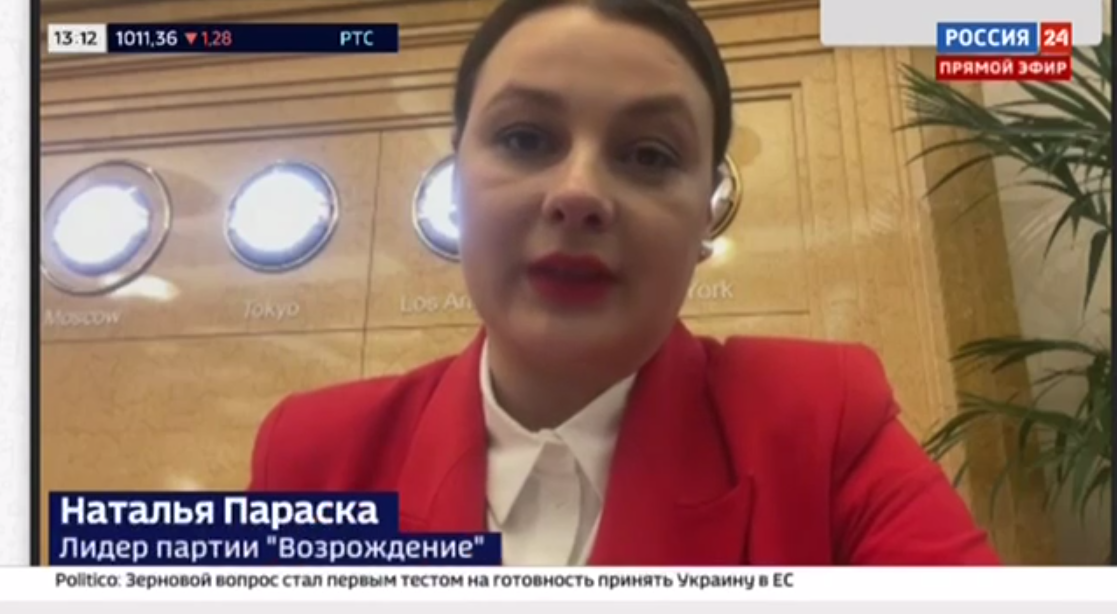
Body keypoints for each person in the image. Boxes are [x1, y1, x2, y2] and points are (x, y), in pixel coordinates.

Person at [248, 0, 1000, 566]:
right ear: (459, 176)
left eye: (648, 155)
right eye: (525, 138)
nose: (578, 194)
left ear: (706, 216)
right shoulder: (315, 457)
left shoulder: (821, 428)